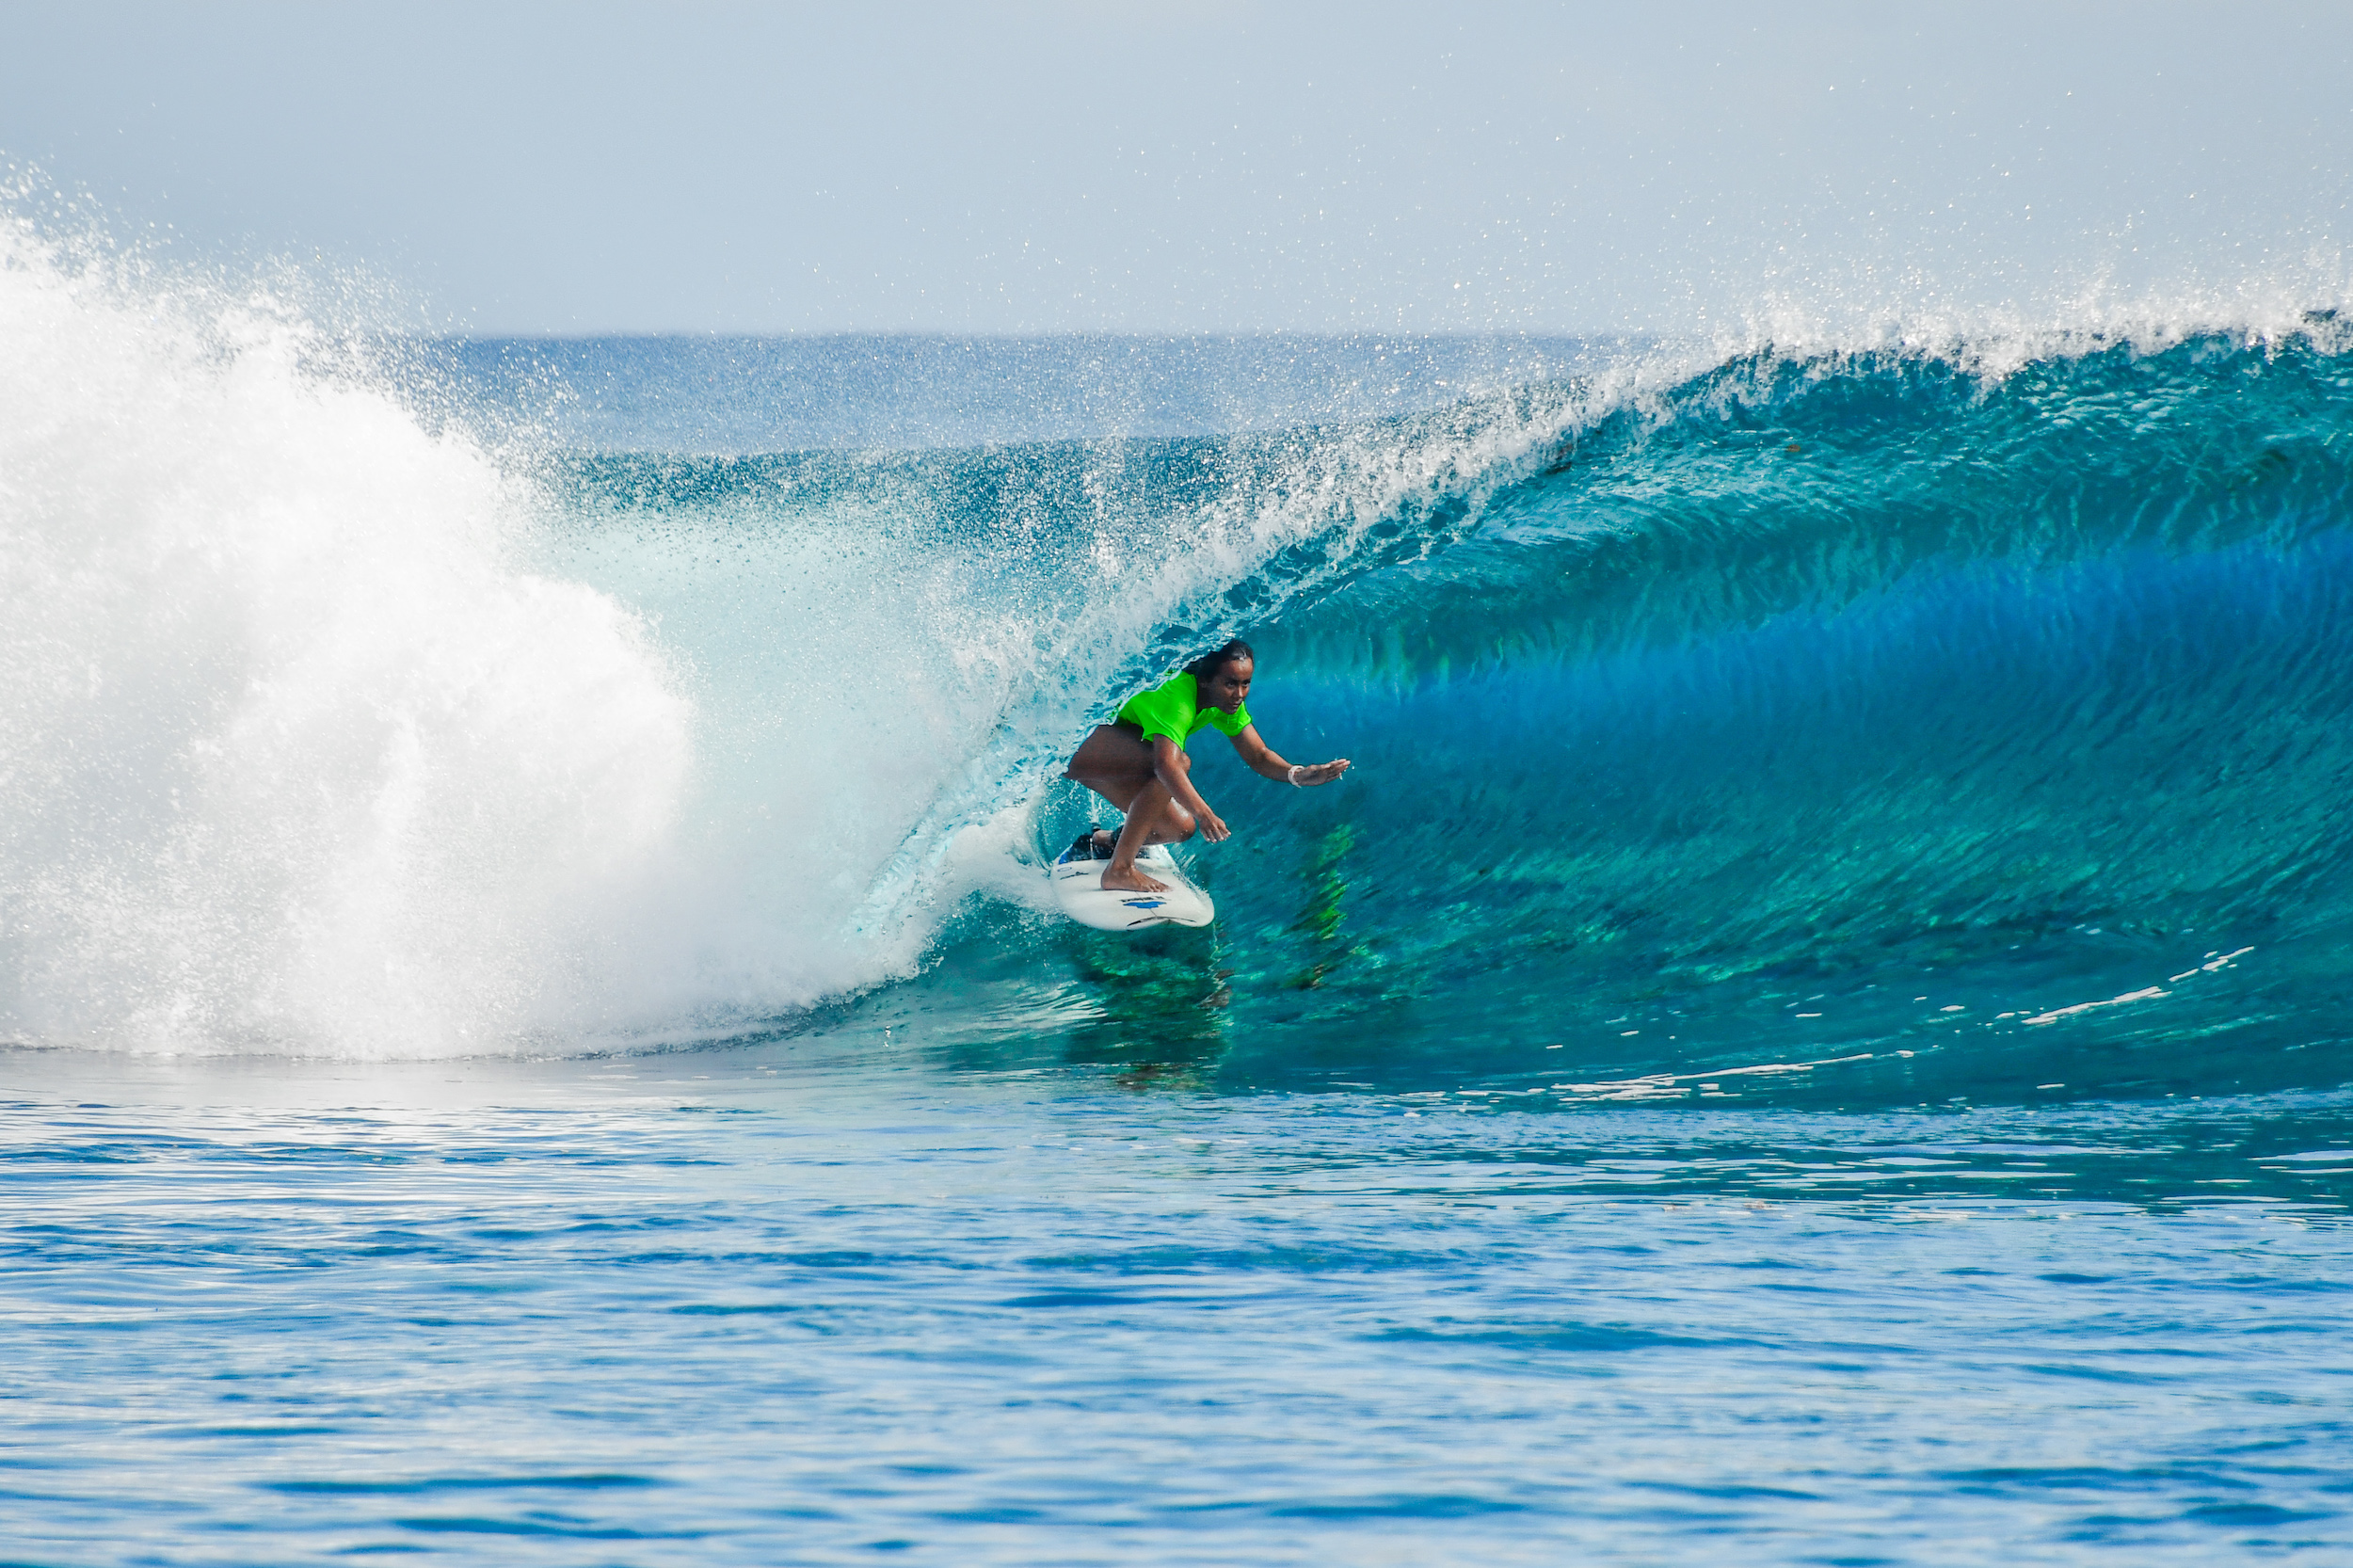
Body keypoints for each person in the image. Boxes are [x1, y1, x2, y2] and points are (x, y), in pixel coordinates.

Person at [1063, 639, 1352, 893]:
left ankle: (1102, 842)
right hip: (1077, 748)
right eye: (1230, 683)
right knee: (1178, 763)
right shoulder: (1177, 698)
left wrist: (1297, 774)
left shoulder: (1221, 704)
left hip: (1116, 760)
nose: (1239, 693)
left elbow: (1258, 755)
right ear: (1205, 680)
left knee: (1179, 829)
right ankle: (1120, 870)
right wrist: (1205, 813)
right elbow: (1165, 765)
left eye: (1245, 683)